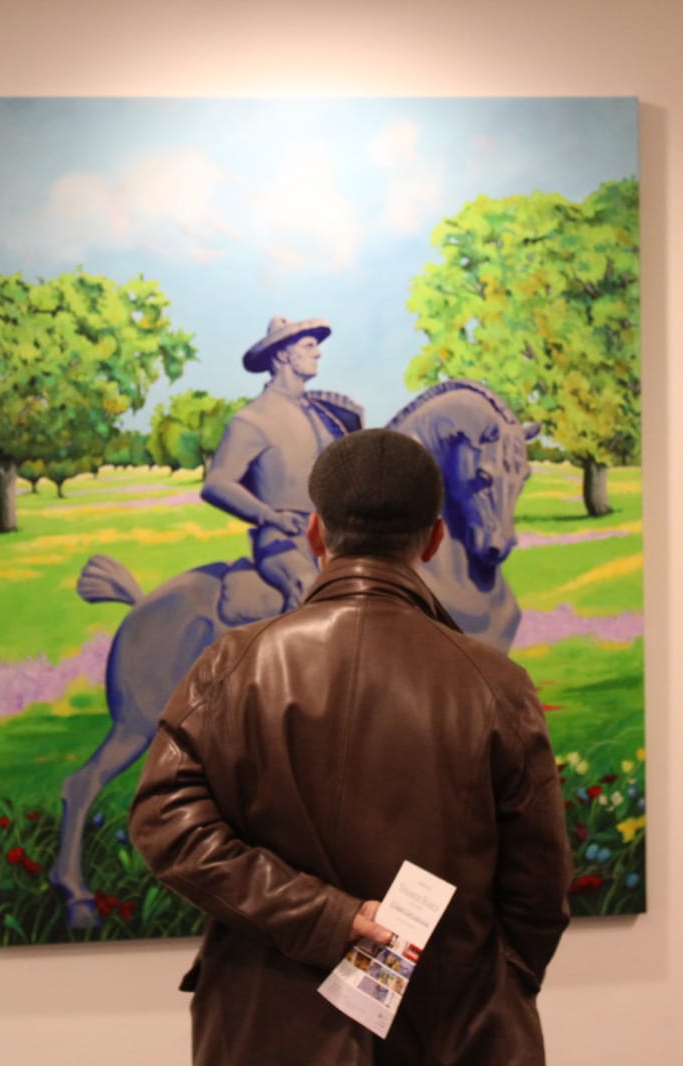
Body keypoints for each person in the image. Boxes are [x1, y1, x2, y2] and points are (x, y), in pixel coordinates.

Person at [130, 428, 574, 1066]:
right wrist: (485, 993)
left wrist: (324, 919)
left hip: (264, 1031)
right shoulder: (496, 686)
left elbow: (163, 823)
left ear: (315, 533)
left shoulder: (233, 665)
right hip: (453, 1034)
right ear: (433, 539)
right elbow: (539, 896)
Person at [201, 316, 362, 614]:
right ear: (283, 356)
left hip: (332, 537)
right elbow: (216, 484)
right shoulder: (253, 419)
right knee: (310, 589)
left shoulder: (325, 416)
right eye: (309, 346)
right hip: (283, 542)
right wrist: (269, 517)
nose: (318, 353)